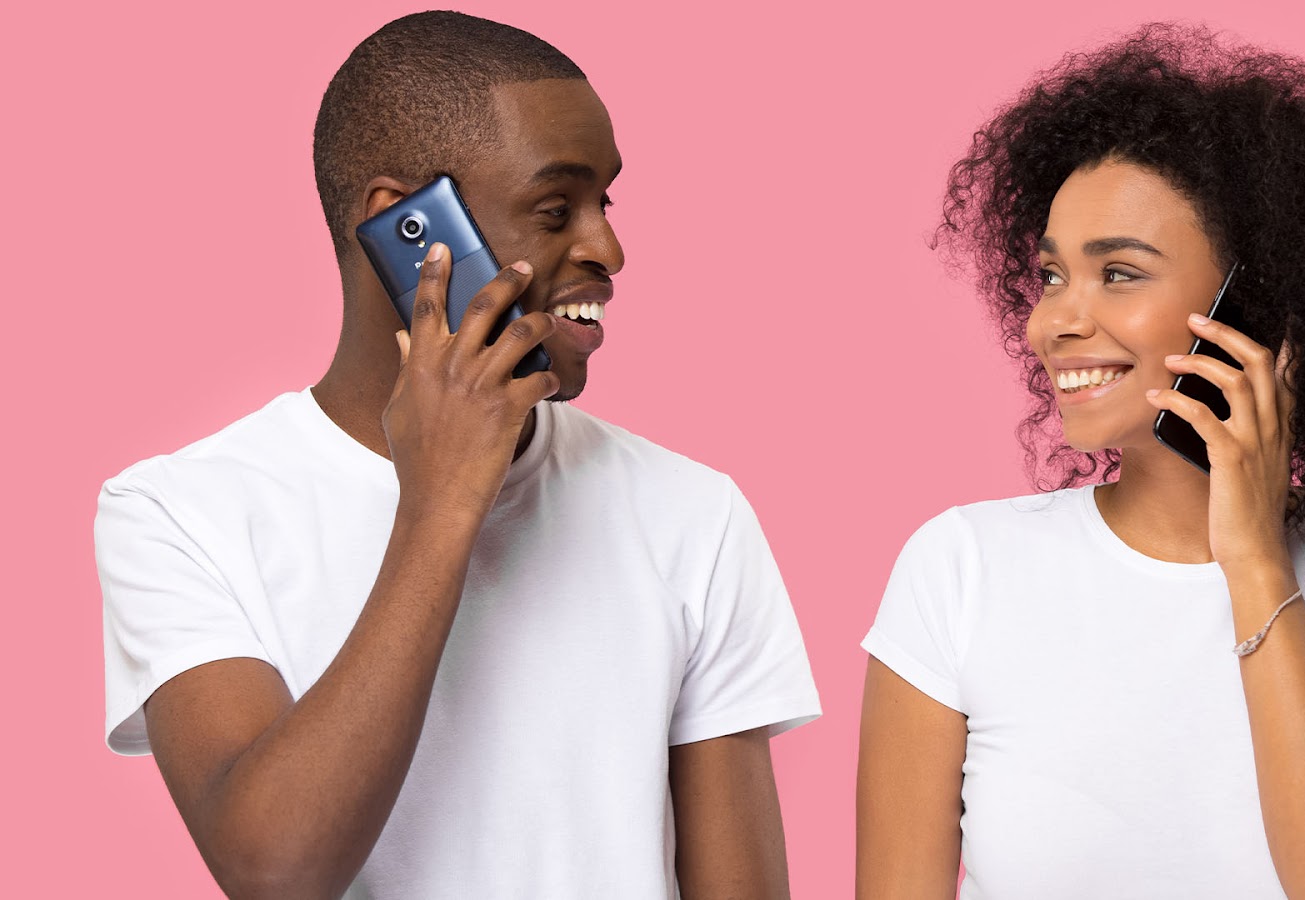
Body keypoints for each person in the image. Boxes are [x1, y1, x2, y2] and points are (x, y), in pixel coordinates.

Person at [95, 11, 819, 898]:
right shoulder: (180, 512)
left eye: (606, 203)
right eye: (556, 210)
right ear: (407, 230)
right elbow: (275, 869)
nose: (608, 249)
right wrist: (442, 502)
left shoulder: (692, 513)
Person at [856, 24, 1305, 900]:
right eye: (1052, 276)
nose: (1050, 324)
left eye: (1120, 274)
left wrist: (1250, 553)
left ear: (1260, 306)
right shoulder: (961, 568)